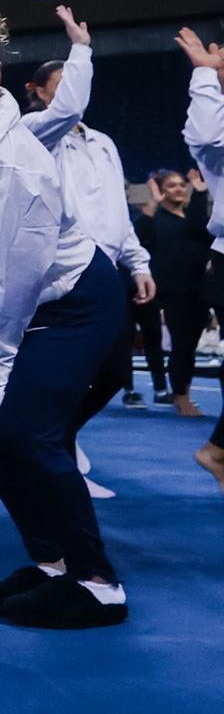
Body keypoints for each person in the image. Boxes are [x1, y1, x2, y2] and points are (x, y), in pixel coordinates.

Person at [0, 1, 128, 629]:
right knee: (1, 435)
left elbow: (20, 275)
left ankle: (97, 584)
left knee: (25, 430)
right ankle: (51, 565)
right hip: (9, 301)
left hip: (66, 300)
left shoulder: (12, 162)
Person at [20, 9, 156, 413]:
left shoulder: (103, 142)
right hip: (62, 271)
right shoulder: (32, 132)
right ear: (38, 91)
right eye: (60, 88)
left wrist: (139, 264)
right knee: (62, 372)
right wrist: (81, 50)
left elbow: (117, 208)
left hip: (108, 270)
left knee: (114, 373)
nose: (69, 96)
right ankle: (40, 441)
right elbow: (66, 111)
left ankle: (55, 437)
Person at [176, 26, 224, 495]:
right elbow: (205, 131)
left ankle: (219, 450)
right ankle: (217, 451)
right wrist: (205, 76)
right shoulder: (213, 129)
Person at [135, 170, 212, 418]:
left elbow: (202, 230)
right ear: (162, 190)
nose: (179, 189)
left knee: (190, 346)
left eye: (181, 185)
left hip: (199, 288)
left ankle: (185, 393)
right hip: (173, 290)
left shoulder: (192, 218)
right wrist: (154, 201)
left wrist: (199, 191)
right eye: (172, 185)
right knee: (182, 344)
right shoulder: (158, 220)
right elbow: (140, 237)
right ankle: (181, 397)